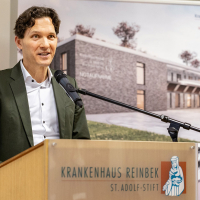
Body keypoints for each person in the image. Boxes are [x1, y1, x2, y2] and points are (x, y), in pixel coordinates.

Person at [0, 6, 90, 163]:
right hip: (15, 180)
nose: (45, 44)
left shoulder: (67, 84)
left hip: (61, 179)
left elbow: (82, 142)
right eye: (36, 36)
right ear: (19, 42)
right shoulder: (2, 83)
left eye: (51, 36)